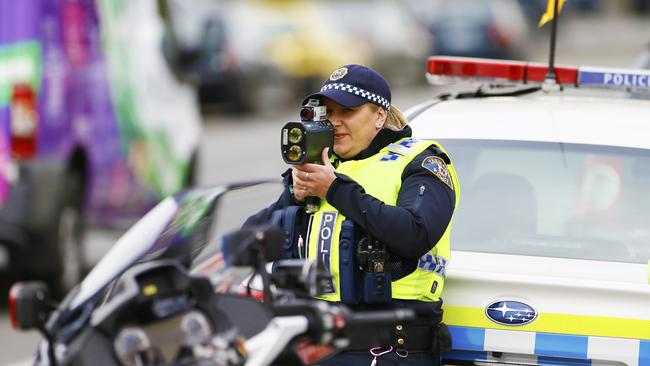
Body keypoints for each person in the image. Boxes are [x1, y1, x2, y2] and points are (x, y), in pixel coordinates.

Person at [246, 64, 459, 365]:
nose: (335, 122)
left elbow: (415, 234)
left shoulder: (420, 163)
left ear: (379, 116)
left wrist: (333, 189)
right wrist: (291, 197)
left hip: (389, 348)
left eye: (347, 112)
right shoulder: (317, 167)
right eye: (328, 113)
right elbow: (248, 242)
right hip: (313, 342)